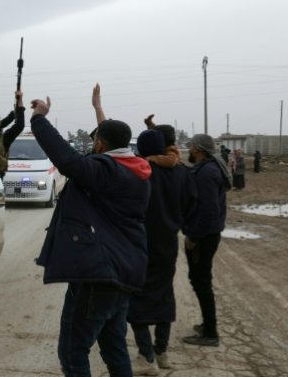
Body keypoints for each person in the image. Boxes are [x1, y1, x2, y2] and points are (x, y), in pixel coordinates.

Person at [31, 89, 152, 377]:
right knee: (114, 348)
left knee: (73, 353)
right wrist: (98, 109)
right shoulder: (136, 171)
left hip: (99, 276)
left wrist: (38, 119)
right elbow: (109, 141)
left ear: (98, 144)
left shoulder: (106, 172)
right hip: (123, 273)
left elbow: (68, 160)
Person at [128, 129, 198, 375]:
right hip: (168, 245)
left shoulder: (139, 172)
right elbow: (193, 204)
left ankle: (146, 356)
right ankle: (162, 352)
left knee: (136, 298)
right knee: (164, 295)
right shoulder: (181, 173)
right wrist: (187, 230)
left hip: (140, 244)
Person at [182, 133, 231, 347]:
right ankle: (208, 325)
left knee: (201, 282)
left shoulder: (207, 172)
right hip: (207, 235)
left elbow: (209, 211)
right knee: (199, 280)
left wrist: (193, 237)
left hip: (204, 237)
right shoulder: (206, 168)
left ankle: (210, 332)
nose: (189, 148)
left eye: (191, 145)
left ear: (197, 149)